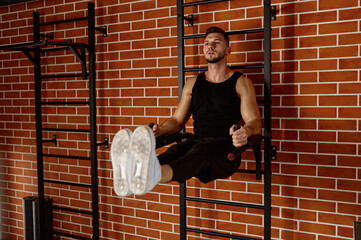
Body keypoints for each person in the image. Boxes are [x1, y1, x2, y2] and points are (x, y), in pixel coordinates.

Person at [111, 26, 261, 197]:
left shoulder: (241, 82)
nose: (210, 46)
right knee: (176, 151)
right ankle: (134, 177)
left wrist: (245, 132)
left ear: (228, 50)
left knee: (200, 151)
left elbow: (255, 123)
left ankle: (147, 174)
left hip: (225, 151)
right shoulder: (192, 83)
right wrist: (160, 130)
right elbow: (176, 120)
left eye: (216, 43)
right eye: (206, 43)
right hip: (197, 142)